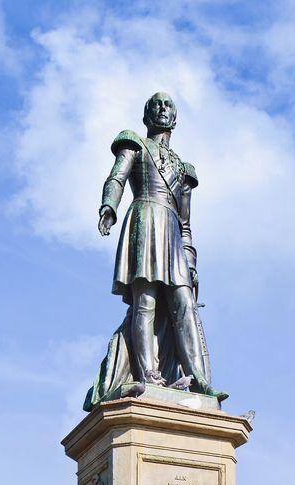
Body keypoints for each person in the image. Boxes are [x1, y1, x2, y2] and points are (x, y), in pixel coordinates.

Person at [87, 92, 227, 408]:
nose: (162, 109)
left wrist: (190, 262)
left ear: (175, 119)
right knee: (145, 302)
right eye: (156, 105)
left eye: (168, 106)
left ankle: (199, 380)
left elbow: (186, 222)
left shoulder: (184, 168)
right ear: (147, 115)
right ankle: (149, 375)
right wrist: (108, 205)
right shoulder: (134, 143)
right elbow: (117, 178)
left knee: (184, 303)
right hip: (145, 219)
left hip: (174, 236)